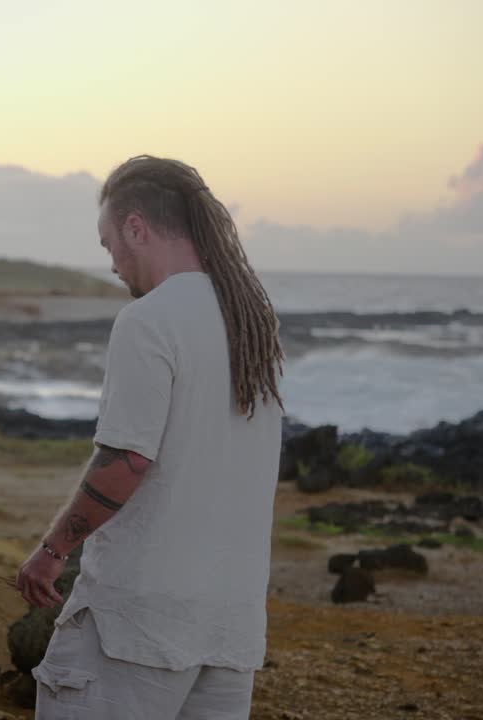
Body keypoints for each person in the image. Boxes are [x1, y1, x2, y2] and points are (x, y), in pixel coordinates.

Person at [14, 155, 285, 719]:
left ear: (137, 227)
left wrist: (52, 550)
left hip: (135, 622)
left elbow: (127, 461)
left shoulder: (148, 320)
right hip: (230, 625)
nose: (112, 262)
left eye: (109, 242)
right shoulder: (250, 321)